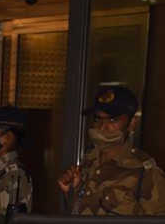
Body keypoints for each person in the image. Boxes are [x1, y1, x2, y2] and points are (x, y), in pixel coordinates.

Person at [58, 84, 165, 216]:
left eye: (113, 120)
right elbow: (76, 220)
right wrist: (71, 192)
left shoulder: (145, 173)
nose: (103, 127)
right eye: (98, 119)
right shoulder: (86, 166)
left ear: (132, 124)